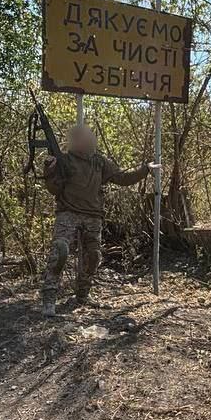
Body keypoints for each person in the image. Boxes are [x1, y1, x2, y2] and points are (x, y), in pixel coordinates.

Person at [41, 124, 156, 318]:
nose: (87, 141)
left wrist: (145, 169)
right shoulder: (65, 161)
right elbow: (54, 189)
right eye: (82, 138)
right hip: (68, 213)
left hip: (93, 215)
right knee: (60, 252)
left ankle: (83, 296)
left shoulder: (100, 162)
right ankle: (49, 299)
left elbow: (122, 178)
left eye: (89, 137)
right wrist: (49, 171)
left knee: (93, 257)